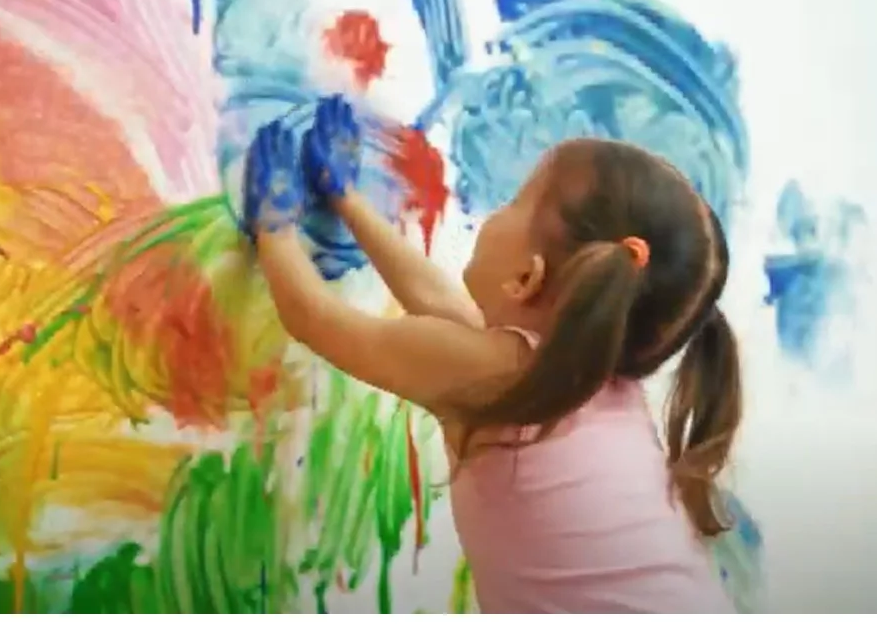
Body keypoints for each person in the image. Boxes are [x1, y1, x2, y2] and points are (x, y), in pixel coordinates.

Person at [243, 95, 742, 613]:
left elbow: (316, 319)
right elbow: (440, 305)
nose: (493, 214)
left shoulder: (504, 377)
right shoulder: (581, 383)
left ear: (526, 277)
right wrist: (347, 199)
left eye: (511, 203)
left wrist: (273, 223)